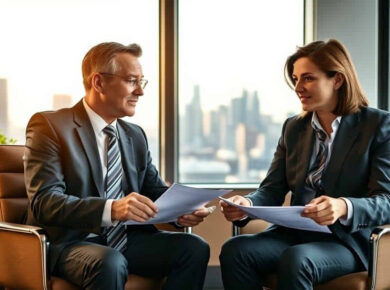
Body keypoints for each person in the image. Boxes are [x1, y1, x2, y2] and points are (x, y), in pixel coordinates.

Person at [24, 42, 210, 290]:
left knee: (193, 248)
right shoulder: (50, 126)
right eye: (132, 81)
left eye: (141, 82)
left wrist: (183, 210)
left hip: (126, 240)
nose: (140, 92)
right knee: (109, 262)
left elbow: (153, 192)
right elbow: (45, 202)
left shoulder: (134, 135)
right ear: (99, 82)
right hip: (71, 243)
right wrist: (112, 209)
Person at [219, 39, 390, 290]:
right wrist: (249, 204)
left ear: (337, 80)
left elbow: (386, 200)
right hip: (294, 234)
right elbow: (272, 188)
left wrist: (343, 206)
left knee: (297, 259)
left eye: (308, 78)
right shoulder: (294, 128)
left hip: (346, 242)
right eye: (296, 78)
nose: (298, 87)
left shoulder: (378, 126)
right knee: (236, 250)